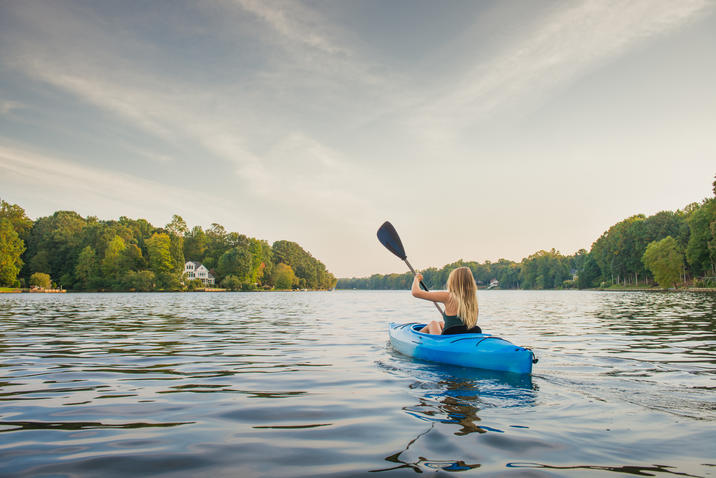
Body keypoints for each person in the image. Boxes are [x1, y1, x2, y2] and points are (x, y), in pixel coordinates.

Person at [411, 267, 481, 335]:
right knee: (441, 323)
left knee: (433, 323)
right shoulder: (473, 302)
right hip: (465, 338)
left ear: (453, 282)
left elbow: (416, 292)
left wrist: (417, 279)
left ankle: (413, 338)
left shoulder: (449, 296)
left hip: (446, 341)